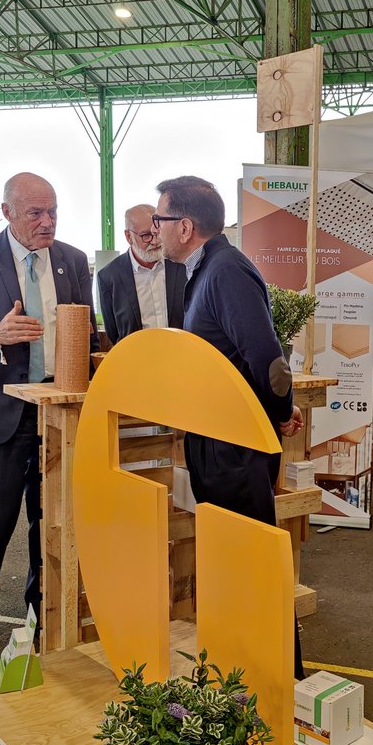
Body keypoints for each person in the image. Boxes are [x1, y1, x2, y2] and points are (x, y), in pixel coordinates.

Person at [0, 172, 98, 667]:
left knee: (49, 523)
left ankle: (41, 615)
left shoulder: (72, 260)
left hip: (60, 413)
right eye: (35, 213)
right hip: (3, 413)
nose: (47, 222)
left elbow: (87, 330)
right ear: (7, 212)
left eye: (52, 212)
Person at [150, 175, 305, 678]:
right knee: (234, 565)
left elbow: (267, 358)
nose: (155, 228)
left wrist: (282, 413)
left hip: (235, 448)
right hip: (218, 443)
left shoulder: (224, 271)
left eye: (160, 219)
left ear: (186, 226)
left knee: (253, 565)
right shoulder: (207, 269)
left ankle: (281, 678)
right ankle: (244, 673)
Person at [97, 203, 186, 345]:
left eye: (157, 233)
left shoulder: (181, 265)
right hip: (136, 360)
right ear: (128, 236)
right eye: (146, 236)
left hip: (181, 356)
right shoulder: (109, 277)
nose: (155, 241)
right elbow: (113, 332)